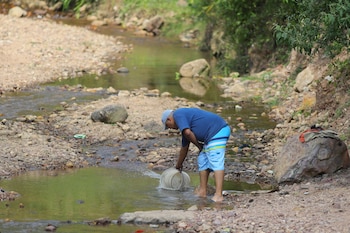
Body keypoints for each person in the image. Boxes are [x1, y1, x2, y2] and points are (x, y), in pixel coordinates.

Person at [161, 108, 231, 202]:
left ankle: (218, 195)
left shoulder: (178, 114)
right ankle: (203, 191)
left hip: (218, 130)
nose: (169, 128)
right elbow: (184, 148)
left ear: (169, 119)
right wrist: (178, 166)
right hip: (211, 136)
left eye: (167, 126)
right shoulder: (184, 126)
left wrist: (199, 146)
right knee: (202, 159)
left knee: (215, 160)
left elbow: (188, 133)